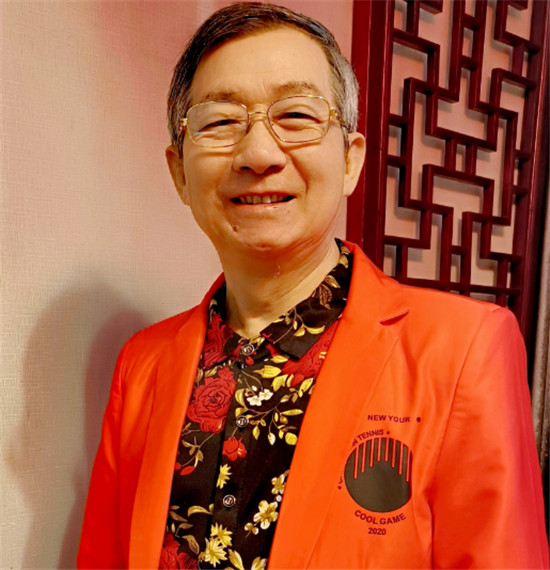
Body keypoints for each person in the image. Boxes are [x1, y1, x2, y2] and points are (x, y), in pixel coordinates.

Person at [77, 3, 549, 569]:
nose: (258, 153)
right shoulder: (143, 365)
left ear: (350, 160)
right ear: (180, 171)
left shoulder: (465, 350)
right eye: (221, 122)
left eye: (296, 115)